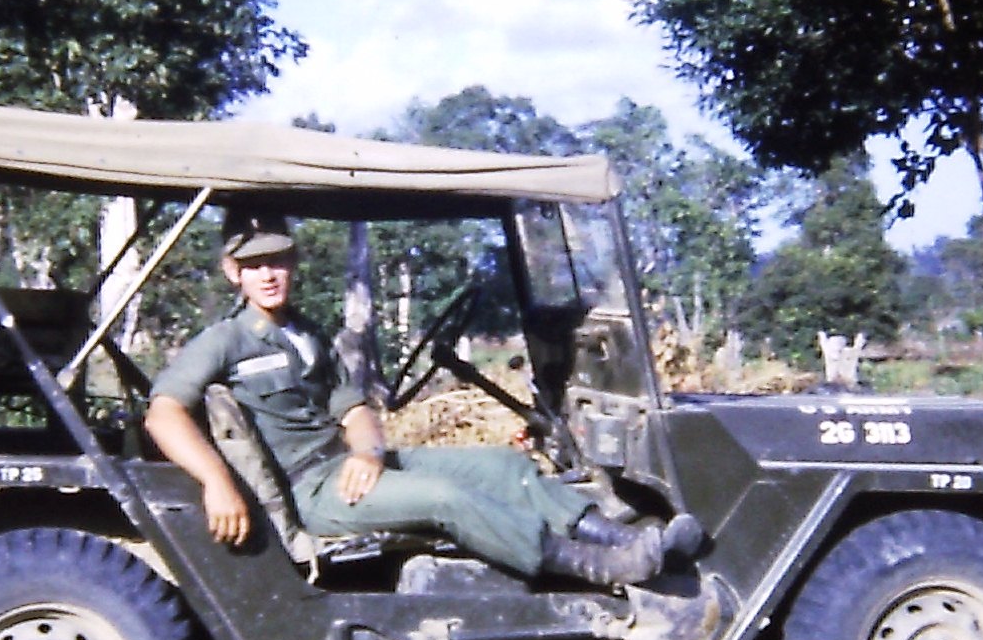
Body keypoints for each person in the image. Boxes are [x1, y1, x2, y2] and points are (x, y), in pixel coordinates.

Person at [144, 212, 699, 588]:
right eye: (254, 265)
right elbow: (163, 412)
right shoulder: (226, 341)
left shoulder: (307, 334)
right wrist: (216, 481)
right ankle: (597, 567)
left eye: (278, 260)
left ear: (293, 263)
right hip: (311, 491)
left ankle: (621, 538)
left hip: (349, 467)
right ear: (233, 273)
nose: (268, 275)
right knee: (444, 498)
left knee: (505, 465)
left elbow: (354, 409)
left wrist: (367, 452)